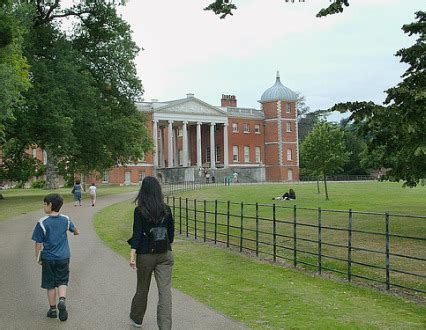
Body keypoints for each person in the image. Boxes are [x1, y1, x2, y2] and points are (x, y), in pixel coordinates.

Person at [127, 176, 175, 329]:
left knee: (142, 288)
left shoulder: (139, 211)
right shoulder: (166, 209)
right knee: (165, 292)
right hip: (165, 253)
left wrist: (132, 254)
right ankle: (165, 326)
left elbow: (137, 234)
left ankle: (136, 318)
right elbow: (171, 234)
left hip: (145, 255)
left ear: (143, 191)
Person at [31, 193, 80, 322]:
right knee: (62, 280)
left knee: (50, 284)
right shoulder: (65, 219)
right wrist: (75, 232)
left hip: (48, 258)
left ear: (50, 205)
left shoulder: (42, 222)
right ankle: (62, 300)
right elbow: (75, 230)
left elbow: (38, 242)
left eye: (44, 204)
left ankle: (53, 309)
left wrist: (38, 257)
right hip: (63, 257)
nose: (44, 206)